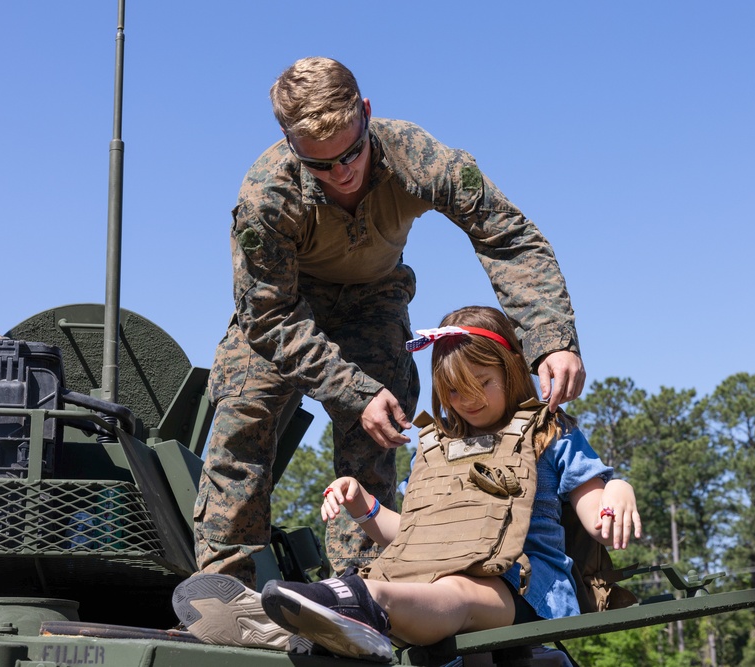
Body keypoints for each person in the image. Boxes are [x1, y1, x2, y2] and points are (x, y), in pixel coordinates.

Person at [180, 56, 585, 650]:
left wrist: (550, 336)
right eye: (321, 163)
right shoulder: (265, 195)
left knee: (379, 433)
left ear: (366, 115)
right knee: (244, 415)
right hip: (285, 311)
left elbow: (508, 237)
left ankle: (357, 593)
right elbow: (266, 314)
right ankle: (228, 595)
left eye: (351, 153)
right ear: (289, 143)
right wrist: (351, 390)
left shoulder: (418, 157)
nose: (342, 174)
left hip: (373, 301)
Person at [177, 306, 640, 661]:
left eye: (482, 383)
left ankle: (351, 607)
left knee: (454, 595)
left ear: (511, 370)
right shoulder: (438, 448)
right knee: (408, 580)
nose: (468, 401)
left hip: (522, 590)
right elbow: (418, 537)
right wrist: (365, 508)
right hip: (436, 573)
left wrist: (617, 491)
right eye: (455, 391)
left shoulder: (548, 433)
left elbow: (597, 515)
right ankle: (312, 621)